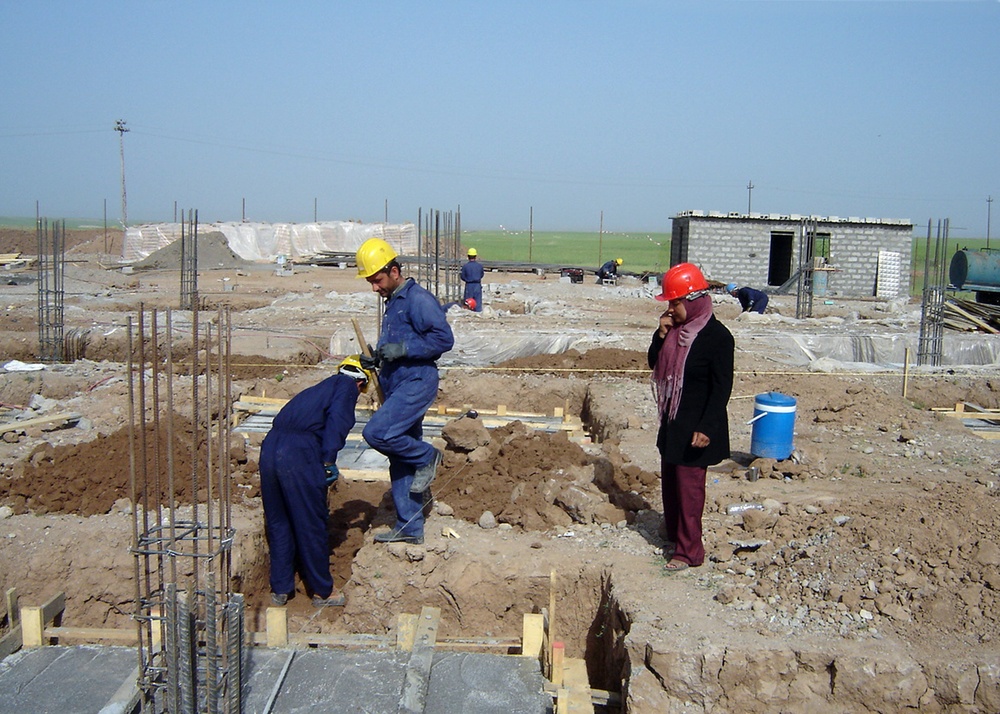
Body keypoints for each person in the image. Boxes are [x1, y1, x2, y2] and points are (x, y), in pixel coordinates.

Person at [356, 237, 455, 545]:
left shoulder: (418, 299)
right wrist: (380, 356)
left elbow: (444, 340)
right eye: (371, 282)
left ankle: (428, 457)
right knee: (400, 456)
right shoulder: (394, 302)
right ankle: (410, 527)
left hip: (416, 382)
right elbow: (395, 347)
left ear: (395, 271)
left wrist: (404, 349)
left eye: (377, 280)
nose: (374, 287)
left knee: (378, 433)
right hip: (397, 383)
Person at [259, 355, 373, 607]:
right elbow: (338, 422)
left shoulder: (317, 390)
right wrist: (328, 459)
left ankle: (280, 588)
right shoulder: (345, 387)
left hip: (270, 449)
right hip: (298, 454)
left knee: (279, 520)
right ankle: (322, 590)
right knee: (310, 522)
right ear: (360, 382)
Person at [649, 263, 734, 572]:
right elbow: (654, 363)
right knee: (670, 482)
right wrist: (660, 335)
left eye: (676, 302)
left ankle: (689, 552)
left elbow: (722, 387)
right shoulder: (675, 332)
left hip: (697, 426)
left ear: (694, 300)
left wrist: (707, 427)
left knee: (689, 488)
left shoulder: (717, 337)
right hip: (673, 421)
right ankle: (674, 535)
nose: (672, 309)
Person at [461, 248, 485, 312]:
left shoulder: (465, 266)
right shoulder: (479, 266)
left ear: (468, 256)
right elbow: (482, 274)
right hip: (477, 285)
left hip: (469, 285)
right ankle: (478, 312)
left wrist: (467, 279)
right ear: (475, 256)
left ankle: (468, 314)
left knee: (468, 302)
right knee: (478, 302)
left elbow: (462, 276)